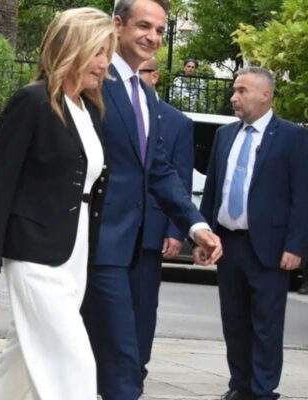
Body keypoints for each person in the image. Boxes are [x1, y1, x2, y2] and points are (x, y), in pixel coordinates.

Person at [79, 1, 223, 399]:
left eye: (160, 30)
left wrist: (196, 225)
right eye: (144, 26)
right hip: (97, 244)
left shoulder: (144, 95)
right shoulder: (92, 81)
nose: (153, 37)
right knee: (120, 360)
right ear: (117, 25)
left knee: (124, 356)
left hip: (138, 248)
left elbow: (158, 170)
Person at [0, 8, 114, 398]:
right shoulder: (31, 102)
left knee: (18, 365)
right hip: (34, 254)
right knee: (73, 362)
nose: (104, 63)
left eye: (107, 53)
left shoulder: (88, 110)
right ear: (71, 48)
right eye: (97, 51)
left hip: (74, 251)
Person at [199, 67, 308, 400]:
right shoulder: (225, 135)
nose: (234, 97)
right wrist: (202, 235)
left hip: (269, 248)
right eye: (234, 90)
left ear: (266, 95)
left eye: (242, 90)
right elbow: (213, 189)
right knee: (234, 320)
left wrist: (295, 245)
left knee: (266, 324)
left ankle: (263, 391)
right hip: (228, 243)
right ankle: (240, 385)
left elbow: (302, 196)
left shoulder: (292, 137)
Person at [137, 57, 194, 381]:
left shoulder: (177, 122)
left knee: (144, 304)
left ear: (155, 76)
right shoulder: (111, 109)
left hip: (153, 229)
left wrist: (176, 230)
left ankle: (137, 368)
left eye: (141, 73)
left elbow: (180, 180)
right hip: (113, 226)